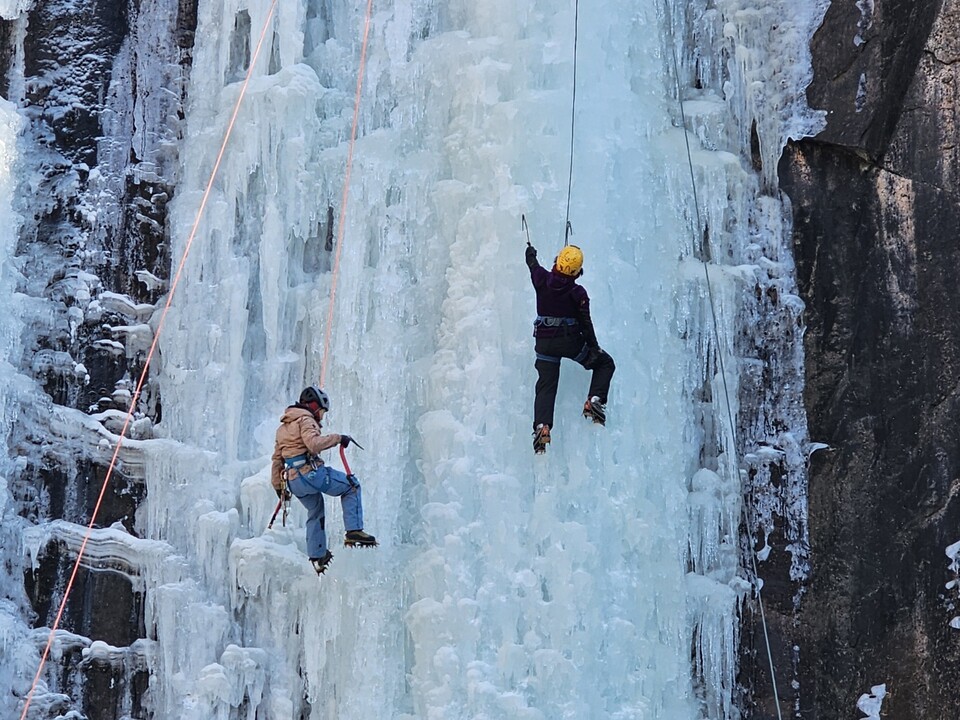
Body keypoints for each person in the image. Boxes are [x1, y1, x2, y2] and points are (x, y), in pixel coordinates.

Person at [271, 385, 377, 575]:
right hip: (310, 474)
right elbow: (313, 445)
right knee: (351, 486)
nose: (322, 416)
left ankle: (317, 556)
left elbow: (277, 460)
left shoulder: (283, 428)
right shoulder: (306, 420)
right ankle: (354, 530)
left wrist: (279, 488)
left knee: (315, 508)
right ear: (314, 406)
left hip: (294, 482)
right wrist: (339, 438)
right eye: (322, 411)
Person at [526, 243, 615, 454]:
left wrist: (531, 253)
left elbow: (532, 264)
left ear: (557, 261)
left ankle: (542, 427)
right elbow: (586, 322)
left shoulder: (541, 279)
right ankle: (594, 401)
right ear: (577, 271)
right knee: (605, 364)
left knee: (546, 386)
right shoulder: (578, 292)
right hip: (569, 341)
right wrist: (595, 348)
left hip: (544, 344)